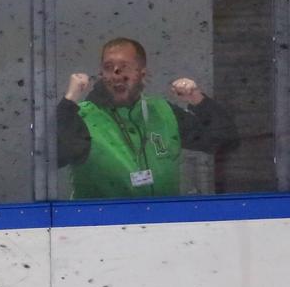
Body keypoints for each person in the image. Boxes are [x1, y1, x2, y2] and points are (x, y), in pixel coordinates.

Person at [57, 36, 236, 199]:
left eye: (125, 67)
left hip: (164, 221)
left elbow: (226, 140)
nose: (116, 74)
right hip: (101, 223)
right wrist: (69, 101)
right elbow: (55, 156)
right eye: (108, 67)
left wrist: (197, 100)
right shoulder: (82, 117)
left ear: (142, 75)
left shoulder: (163, 112)